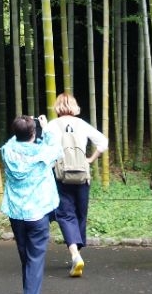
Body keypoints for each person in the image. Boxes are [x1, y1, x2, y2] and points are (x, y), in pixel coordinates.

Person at [0, 114, 63, 294]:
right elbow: (56, 148)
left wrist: (24, 128)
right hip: (37, 214)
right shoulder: (41, 152)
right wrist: (45, 129)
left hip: (16, 214)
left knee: (26, 258)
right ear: (33, 134)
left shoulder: (8, 151)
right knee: (34, 260)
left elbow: (12, 141)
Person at [45, 92, 108, 277]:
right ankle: (77, 252)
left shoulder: (51, 126)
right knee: (81, 213)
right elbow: (103, 142)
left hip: (61, 176)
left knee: (65, 215)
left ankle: (74, 254)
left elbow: (44, 150)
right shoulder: (82, 124)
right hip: (82, 175)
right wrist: (90, 159)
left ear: (57, 107)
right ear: (74, 106)